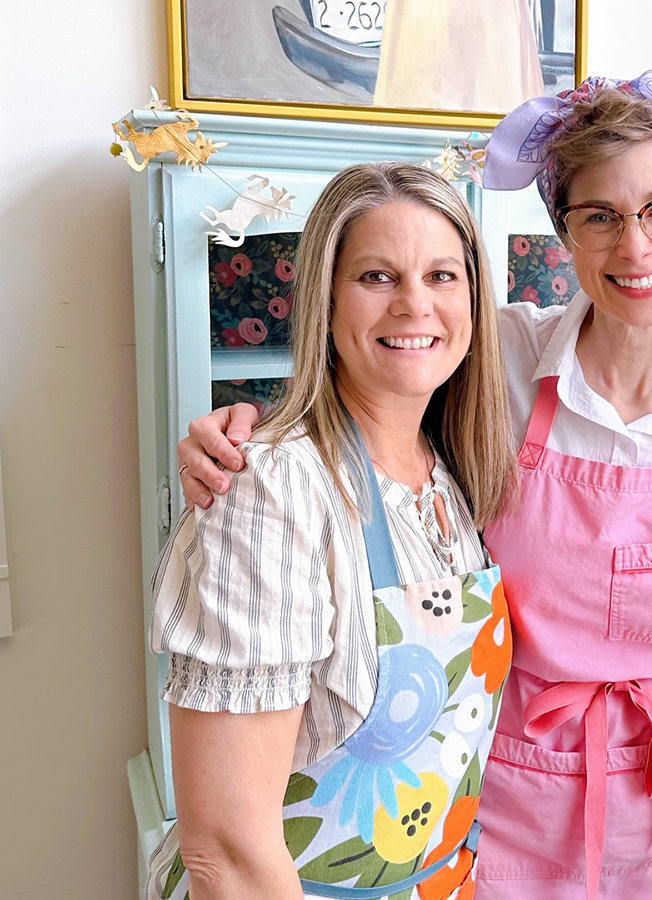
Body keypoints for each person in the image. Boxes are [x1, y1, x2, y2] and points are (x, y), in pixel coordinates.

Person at [174, 71, 652, 900]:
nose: (636, 245)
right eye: (599, 215)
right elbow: (368, 395)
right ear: (562, 230)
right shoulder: (498, 363)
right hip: (499, 798)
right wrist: (253, 434)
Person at [146, 162, 516, 900]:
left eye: (442, 276)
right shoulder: (274, 489)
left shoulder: (451, 469)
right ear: (324, 299)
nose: (415, 304)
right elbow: (228, 853)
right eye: (377, 277)